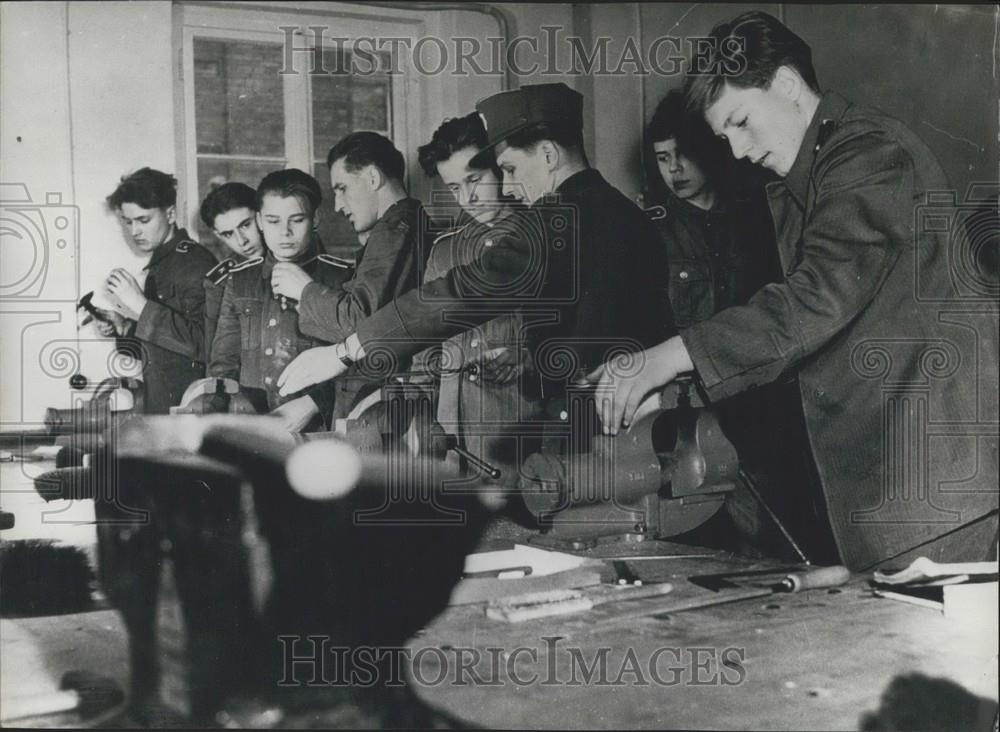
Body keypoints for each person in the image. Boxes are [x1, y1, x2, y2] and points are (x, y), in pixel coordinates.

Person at [591, 11, 999, 570]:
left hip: (931, 481)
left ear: (785, 85)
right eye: (723, 135)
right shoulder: (803, 179)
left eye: (740, 122)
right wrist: (674, 388)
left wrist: (668, 357)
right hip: (886, 481)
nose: (735, 151)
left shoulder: (869, 157)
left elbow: (812, 303)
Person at [277, 83, 676, 448]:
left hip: (599, 429)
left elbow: (465, 291)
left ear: (550, 155)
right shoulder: (618, 211)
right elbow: (597, 324)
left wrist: (346, 351)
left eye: (511, 169)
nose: (508, 186)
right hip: (627, 419)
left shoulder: (561, 217)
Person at [410, 112, 541, 478]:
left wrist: (526, 355)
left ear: (499, 169)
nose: (467, 196)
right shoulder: (444, 251)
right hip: (451, 443)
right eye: (454, 187)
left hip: (521, 437)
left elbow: (576, 334)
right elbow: (423, 354)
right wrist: (421, 423)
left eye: (474, 179)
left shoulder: (542, 240)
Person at [269, 131, 427, 418]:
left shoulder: (395, 231)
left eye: (341, 188)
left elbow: (359, 323)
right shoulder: (394, 229)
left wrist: (305, 290)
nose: (338, 205)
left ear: (372, 178)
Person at [208, 168, 352, 431]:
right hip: (251, 431)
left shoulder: (342, 277)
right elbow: (223, 365)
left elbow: (360, 361)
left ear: (315, 218)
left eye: (296, 220)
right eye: (273, 221)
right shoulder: (240, 280)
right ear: (260, 221)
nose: (284, 232)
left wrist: (315, 404)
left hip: (319, 430)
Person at [100, 167, 217, 414]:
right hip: (168, 407)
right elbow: (168, 350)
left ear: (171, 214)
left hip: (194, 412)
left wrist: (141, 306)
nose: (134, 232)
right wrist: (124, 328)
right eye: (128, 222)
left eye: (144, 220)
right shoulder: (164, 263)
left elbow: (207, 346)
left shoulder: (195, 263)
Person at [199, 182, 267, 356]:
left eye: (245, 225)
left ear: (261, 215)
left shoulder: (295, 253)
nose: (241, 241)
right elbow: (217, 352)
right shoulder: (219, 282)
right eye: (228, 234)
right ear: (217, 235)